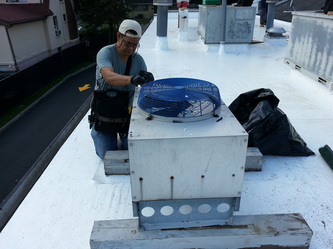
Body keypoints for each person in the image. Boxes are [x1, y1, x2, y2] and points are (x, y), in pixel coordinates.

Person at [91, 19, 154, 159]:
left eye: (135, 45)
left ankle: (123, 133)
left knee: (132, 151)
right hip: (105, 114)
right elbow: (108, 76)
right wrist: (132, 79)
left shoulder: (138, 60)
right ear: (118, 36)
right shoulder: (105, 53)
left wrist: (148, 83)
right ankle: (99, 132)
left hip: (126, 115)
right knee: (106, 154)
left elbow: (145, 91)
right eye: (127, 44)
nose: (131, 49)